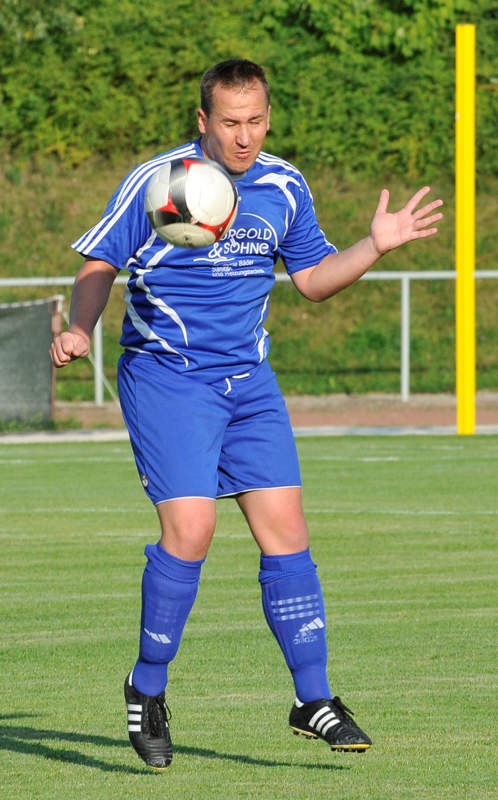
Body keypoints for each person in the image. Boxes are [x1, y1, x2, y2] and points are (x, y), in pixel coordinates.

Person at [50, 58, 443, 771]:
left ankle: (312, 699)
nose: (244, 136)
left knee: (287, 531)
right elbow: (99, 264)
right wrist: (81, 328)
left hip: (249, 384)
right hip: (169, 378)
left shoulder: (283, 185)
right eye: (230, 122)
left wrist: (374, 246)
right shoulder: (160, 182)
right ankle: (147, 688)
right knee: (191, 532)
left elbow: (313, 280)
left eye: (256, 121)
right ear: (203, 119)